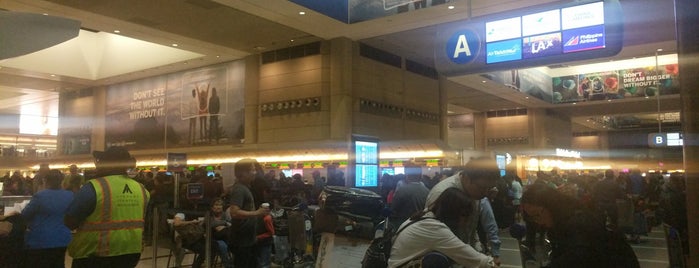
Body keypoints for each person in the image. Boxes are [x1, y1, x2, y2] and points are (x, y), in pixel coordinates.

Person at [64, 146, 150, 268]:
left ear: (107, 164)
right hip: (131, 252)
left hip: (95, 253)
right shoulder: (142, 189)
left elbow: (70, 222)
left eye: (100, 161)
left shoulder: (94, 187)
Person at [521, 183, 639, 268]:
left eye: (537, 215)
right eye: (531, 218)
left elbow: (576, 258)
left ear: (552, 206)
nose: (536, 221)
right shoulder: (560, 223)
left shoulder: (578, 223)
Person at [388, 188, 496, 268]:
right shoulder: (434, 228)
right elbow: (471, 257)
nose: (466, 221)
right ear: (453, 213)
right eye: (464, 215)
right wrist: (492, 263)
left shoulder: (425, 216)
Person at [425, 158, 500, 246]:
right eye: (482, 188)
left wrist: (477, 247)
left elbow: (470, 226)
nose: (486, 193)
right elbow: (439, 237)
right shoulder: (443, 193)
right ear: (467, 178)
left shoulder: (474, 192)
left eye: (490, 188)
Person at [17, 169, 74, 267]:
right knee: (59, 263)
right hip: (63, 238)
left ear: (45, 181)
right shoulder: (70, 195)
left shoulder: (40, 196)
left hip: (41, 239)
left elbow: (25, 214)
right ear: (62, 181)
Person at [228, 158, 271, 268]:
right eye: (252, 170)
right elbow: (234, 212)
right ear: (243, 173)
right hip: (242, 241)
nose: (255, 172)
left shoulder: (245, 187)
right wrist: (257, 213)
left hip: (248, 239)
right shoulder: (239, 189)